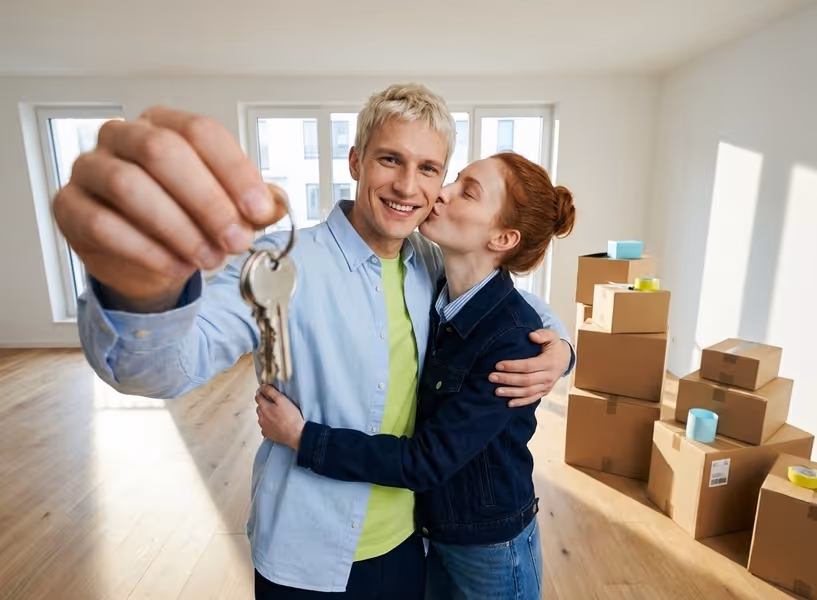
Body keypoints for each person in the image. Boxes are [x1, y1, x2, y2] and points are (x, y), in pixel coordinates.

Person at [54, 83, 576, 598]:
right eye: (390, 159)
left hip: (408, 546)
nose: (408, 187)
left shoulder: (432, 262)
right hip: (305, 554)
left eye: (429, 169)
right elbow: (167, 366)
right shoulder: (281, 263)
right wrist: (142, 293)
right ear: (355, 161)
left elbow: (508, 305)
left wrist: (560, 349)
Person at [256, 151, 576, 599]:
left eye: (467, 192)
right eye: (454, 178)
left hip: (491, 549)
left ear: (503, 237)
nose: (440, 193)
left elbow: (426, 460)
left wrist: (303, 437)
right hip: (433, 534)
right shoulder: (434, 284)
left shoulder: (514, 344)